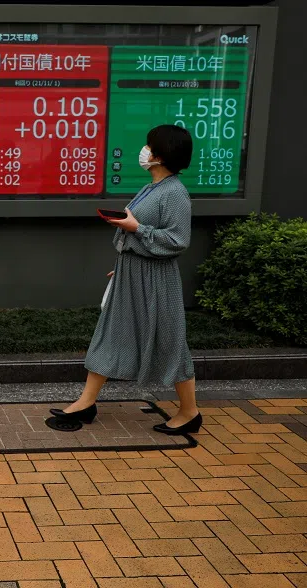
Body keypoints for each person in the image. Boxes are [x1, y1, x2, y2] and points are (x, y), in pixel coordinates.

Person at [50, 124, 200, 435]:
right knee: (110, 333)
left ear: (159, 155)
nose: (143, 152)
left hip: (157, 281)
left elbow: (178, 241)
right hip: (133, 273)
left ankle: (190, 412)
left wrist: (135, 229)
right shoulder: (154, 187)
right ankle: (86, 402)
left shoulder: (174, 192)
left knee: (169, 341)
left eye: (149, 146)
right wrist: (125, 262)